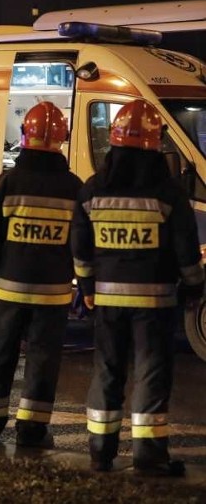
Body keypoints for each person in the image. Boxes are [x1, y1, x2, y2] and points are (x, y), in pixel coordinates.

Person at [72, 99, 203, 477]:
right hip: (154, 302)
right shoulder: (168, 193)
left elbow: (80, 249)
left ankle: (100, 452)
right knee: (150, 373)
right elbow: (186, 252)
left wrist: (88, 285)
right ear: (155, 144)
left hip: (109, 302)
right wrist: (195, 287)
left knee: (107, 371)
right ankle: (148, 456)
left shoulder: (93, 190)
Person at [0, 102, 83, 447]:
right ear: (62, 138)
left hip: (7, 292)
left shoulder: (9, 183)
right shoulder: (74, 188)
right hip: (53, 295)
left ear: (24, 136)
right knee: (43, 362)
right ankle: (32, 431)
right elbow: (81, 244)